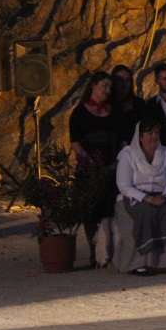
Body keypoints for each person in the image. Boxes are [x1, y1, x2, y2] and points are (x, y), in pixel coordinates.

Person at [111, 119, 166, 275]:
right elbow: (124, 185)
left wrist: (165, 197)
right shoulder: (128, 155)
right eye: (150, 133)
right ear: (140, 136)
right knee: (146, 211)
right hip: (135, 197)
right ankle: (141, 263)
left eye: (156, 133)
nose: (154, 137)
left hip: (161, 195)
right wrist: (147, 198)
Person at [69, 71, 122, 268]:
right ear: (93, 85)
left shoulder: (115, 112)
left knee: (109, 209)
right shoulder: (79, 113)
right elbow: (75, 143)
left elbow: (122, 141)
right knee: (90, 212)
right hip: (89, 170)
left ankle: (108, 250)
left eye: (110, 87)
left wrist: (115, 164)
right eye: (104, 86)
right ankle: (94, 251)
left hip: (111, 168)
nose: (107, 91)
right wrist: (91, 165)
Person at [111, 64, 146, 144]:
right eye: (120, 80)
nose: (124, 84)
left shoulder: (139, 104)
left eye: (127, 80)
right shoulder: (108, 104)